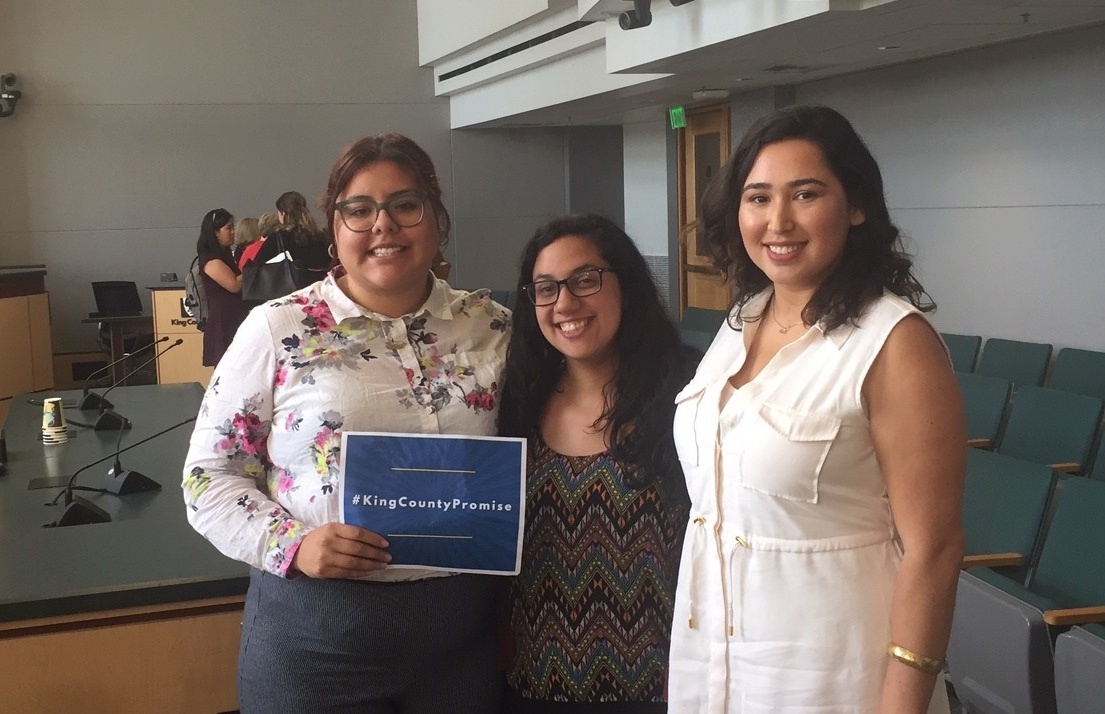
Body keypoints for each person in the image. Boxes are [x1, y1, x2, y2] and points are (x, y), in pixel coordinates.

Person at [182, 133, 511, 713]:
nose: (383, 225)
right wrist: (295, 544)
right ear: (335, 230)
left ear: (438, 220)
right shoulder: (277, 328)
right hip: (315, 642)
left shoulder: (494, 328)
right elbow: (209, 477)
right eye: (358, 210)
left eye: (405, 205)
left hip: (462, 645)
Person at [666, 104, 965, 714]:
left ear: (855, 205)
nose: (778, 221)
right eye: (758, 198)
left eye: (805, 194)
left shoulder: (892, 341)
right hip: (713, 667)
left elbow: (934, 550)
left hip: (833, 676)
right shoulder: (740, 321)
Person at [498, 214, 700, 713]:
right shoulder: (517, 400)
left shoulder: (689, 394)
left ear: (626, 287)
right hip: (532, 686)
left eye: (586, 280)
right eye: (546, 288)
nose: (565, 303)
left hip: (665, 689)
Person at [245, 190, 331, 300]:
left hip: (289, 296)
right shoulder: (319, 237)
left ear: (283, 214)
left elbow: (258, 266)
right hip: (317, 295)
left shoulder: (278, 238)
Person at [196, 208, 250, 366]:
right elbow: (234, 285)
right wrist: (253, 266)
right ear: (215, 232)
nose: (233, 232)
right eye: (229, 228)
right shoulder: (211, 261)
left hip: (235, 316)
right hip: (223, 321)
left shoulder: (226, 256)